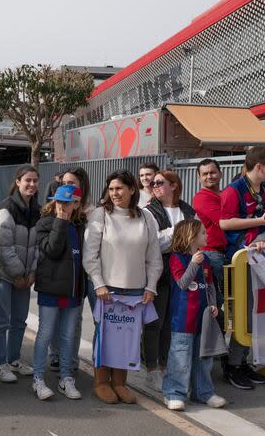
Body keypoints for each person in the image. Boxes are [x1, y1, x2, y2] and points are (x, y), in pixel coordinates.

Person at [83, 169, 162, 405]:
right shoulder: (100, 215)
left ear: (131, 190)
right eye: (111, 189)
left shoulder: (146, 217)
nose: (115, 193)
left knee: (128, 338)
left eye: (119, 188)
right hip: (107, 290)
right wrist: (98, 284)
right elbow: (90, 255)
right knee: (105, 335)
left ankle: (120, 383)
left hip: (136, 291)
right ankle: (102, 382)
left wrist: (151, 286)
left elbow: (154, 257)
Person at [219, 146, 265, 390]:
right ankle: (232, 365)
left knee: (261, 315)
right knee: (244, 315)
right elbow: (225, 223)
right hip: (243, 260)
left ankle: (248, 361)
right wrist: (262, 222)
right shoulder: (233, 190)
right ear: (259, 166)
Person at [161, 219, 227, 411]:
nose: (207, 236)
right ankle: (174, 393)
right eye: (203, 233)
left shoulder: (205, 259)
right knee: (180, 357)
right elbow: (182, 283)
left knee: (203, 358)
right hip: (183, 319)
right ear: (191, 237)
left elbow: (210, 285)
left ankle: (203, 393)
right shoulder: (177, 258)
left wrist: (213, 304)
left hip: (203, 318)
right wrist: (192, 264)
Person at [32, 185, 86, 401]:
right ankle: (37, 377)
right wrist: (61, 221)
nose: (62, 206)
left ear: (76, 204)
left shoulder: (80, 225)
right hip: (51, 288)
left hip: (72, 290)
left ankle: (66, 377)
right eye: (59, 202)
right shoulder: (44, 223)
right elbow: (52, 250)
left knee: (67, 336)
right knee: (45, 333)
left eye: (67, 202)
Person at [143, 170, 195, 390]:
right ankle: (152, 369)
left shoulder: (187, 209)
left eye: (159, 182)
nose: (154, 185)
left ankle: (165, 365)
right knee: (155, 322)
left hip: (184, 272)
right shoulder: (148, 211)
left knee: (172, 323)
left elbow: (196, 239)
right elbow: (153, 243)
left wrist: (170, 236)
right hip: (161, 272)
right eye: (153, 183)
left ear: (173, 185)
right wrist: (180, 234)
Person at [0, 165, 40, 383]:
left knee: (20, 321)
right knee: (1, 321)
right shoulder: (5, 209)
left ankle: (14, 359)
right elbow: (3, 247)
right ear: (17, 182)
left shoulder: (37, 210)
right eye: (27, 180)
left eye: (35, 181)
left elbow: (38, 245)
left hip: (25, 277)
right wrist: (20, 273)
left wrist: (32, 273)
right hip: (4, 275)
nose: (31, 184)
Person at [49, 167, 95, 374]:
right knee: (56, 316)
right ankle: (56, 355)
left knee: (74, 319)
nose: (68, 187)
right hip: (60, 270)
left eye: (72, 183)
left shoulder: (93, 212)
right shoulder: (55, 207)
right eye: (64, 183)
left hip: (84, 273)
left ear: (82, 186)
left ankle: (71, 359)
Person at [192, 159, 227, 334]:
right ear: (199, 177)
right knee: (215, 303)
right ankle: (212, 350)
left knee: (227, 303)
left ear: (220, 173)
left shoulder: (224, 194)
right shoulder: (201, 197)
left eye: (212, 172)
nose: (209, 176)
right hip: (212, 255)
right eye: (204, 174)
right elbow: (225, 221)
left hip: (226, 254)